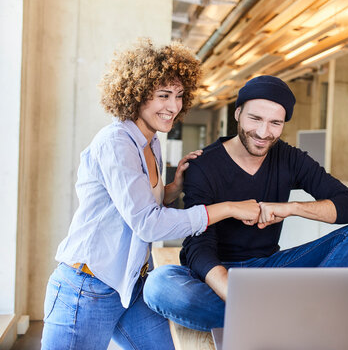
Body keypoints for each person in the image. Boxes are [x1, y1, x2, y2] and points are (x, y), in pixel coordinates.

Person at [41, 39, 260, 350]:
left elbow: (140, 205)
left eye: (180, 96)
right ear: (137, 93)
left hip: (128, 285)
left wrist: (175, 186)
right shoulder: (116, 142)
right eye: (163, 96)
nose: (173, 106)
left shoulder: (150, 142)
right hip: (86, 289)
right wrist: (228, 208)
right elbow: (147, 223)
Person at [143, 75, 348, 332]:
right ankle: (296, 316)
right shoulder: (203, 164)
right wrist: (234, 293)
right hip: (217, 272)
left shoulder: (289, 158)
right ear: (238, 113)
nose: (264, 132)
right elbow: (198, 246)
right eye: (255, 119)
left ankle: (269, 314)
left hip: (269, 269)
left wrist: (292, 208)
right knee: (159, 286)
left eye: (275, 123)